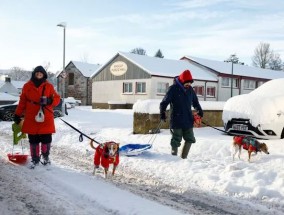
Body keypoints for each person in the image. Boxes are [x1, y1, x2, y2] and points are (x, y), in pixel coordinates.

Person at [14, 66, 60, 168]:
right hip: (31, 116)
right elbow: (22, 102)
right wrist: (17, 114)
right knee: (33, 139)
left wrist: (49, 101)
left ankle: (45, 157)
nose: (39, 75)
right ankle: (35, 159)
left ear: (44, 75)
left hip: (46, 116)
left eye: (41, 73)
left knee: (47, 139)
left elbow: (57, 98)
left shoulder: (49, 86)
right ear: (34, 74)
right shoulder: (27, 86)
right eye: (37, 73)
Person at [160, 69, 203, 159]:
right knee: (176, 140)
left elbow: (195, 102)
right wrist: (162, 112)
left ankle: (184, 158)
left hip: (188, 119)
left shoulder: (190, 90)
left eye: (190, 83)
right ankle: (173, 159)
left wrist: (199, 110)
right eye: (187, 83)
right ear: (182, 80)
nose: (189, 85)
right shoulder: (173, 89)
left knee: (190, 139)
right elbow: (164, 102)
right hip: (176, 119)